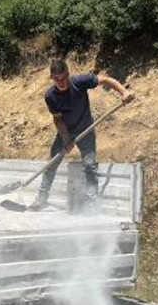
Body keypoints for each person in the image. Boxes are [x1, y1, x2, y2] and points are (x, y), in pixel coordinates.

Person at [29, 59, 134, 211]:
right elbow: (57, 119)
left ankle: (92, 203)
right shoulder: (50, 96)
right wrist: (66, 139)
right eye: (57, 79)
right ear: (52, 78)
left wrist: (123, 91)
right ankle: (42, 198)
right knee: (52, 163)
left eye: (63, 77)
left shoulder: (79, 82)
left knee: (90, 165)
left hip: (86, 129)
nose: (61, 82)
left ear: (68, 74)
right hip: (65, 130)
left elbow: (105, 79)